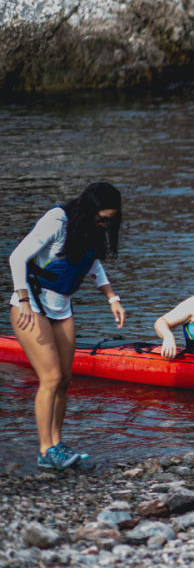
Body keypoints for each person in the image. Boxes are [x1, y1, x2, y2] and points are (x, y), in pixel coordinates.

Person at [8, 182, 126, 469]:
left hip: (61, 307)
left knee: (64, 379)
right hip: (30, 305)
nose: (104, 224)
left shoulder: (92, 229)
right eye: (102, 218)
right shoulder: (57, 220)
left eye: (109, 220)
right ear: (89, 209)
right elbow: (17, 257)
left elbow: (92, 265)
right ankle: (45, 450)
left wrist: (112, 298)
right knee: (50, 377)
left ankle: (57, 444)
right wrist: (23, 298)